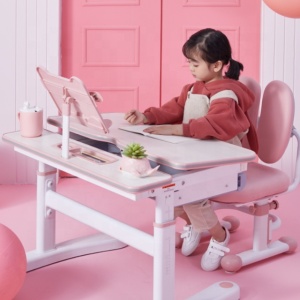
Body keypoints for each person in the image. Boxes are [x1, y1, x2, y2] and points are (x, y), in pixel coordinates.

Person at [124, 28, 258, 271]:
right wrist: (147, 116)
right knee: (163, 191)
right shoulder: (193, 88)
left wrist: (177, 130)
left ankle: (219, 236)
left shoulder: (226, 94)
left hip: (225, 165)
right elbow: (174, 109)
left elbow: (216, 123)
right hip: (196, 160)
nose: (191, 68)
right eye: (189, 63)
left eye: (195, 63)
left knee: (191, 196)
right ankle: (197, 224)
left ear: (217, 65)